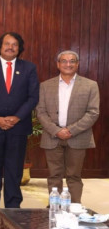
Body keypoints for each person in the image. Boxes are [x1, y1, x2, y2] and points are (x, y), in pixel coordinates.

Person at [0, 32, 39, 220]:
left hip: (17, 128)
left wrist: (17, 117)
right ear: (0, 47)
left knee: (14, 168)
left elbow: (33, 97)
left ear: (19, 48)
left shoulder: (29, 68)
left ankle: (13, 207)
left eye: (14, 44)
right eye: (6, 44)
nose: (10, 47)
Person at [36, 50, 99, 203]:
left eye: (72, 61)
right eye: (64, 61)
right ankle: (54, 207)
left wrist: (70, 130)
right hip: (53, 136)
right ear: (58, 64)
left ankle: (75, 207)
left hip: (78, 136)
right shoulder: (45, 86)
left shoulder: (90, 85)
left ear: (77, 64)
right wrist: (57, 131)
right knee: (54, 175)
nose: (68, 64)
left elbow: (93, 113)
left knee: (74, 175)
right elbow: (40, 112)